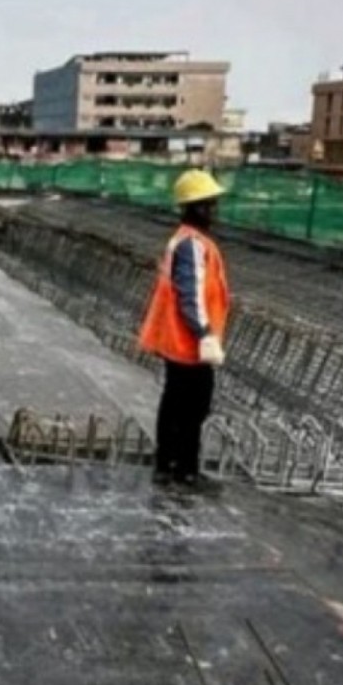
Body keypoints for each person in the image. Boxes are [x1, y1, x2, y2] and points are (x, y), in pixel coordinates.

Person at [138, 169, 230, 492]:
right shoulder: (192, 244)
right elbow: (191, 293)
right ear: (195, 207)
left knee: (177, 402)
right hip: (188, 342)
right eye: (210, 204)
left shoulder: (188, 239)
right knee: (192, 406)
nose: (215, 211)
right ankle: (183, 470)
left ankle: (169, 465)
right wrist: (205, 334)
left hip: (182, 340)